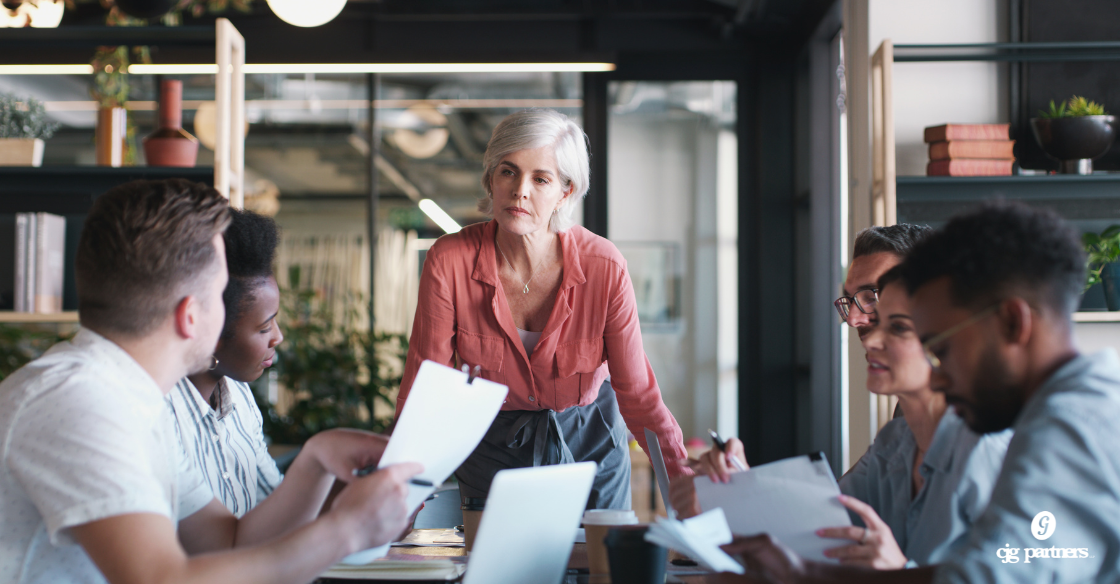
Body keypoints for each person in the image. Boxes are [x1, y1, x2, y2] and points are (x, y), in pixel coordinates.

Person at [0, 179, 421, 584]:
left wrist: (317, 459)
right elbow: (164, 579)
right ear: (190, 316)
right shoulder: (81, 401)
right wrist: (347, 530)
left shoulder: (134, 400)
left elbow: (227, 542)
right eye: (220, 291)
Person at [721, 202, 1120, 583]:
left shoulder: (1073, 426)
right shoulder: (1063, 411)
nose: (940, 378)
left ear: (1013, 323)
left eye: (943, 349)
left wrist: (805, 576)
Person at [398, 108, 689, 509]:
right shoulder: (449, 260)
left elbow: (637, 394)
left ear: (565, 192)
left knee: (598, 570)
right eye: (508, 172)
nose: (520, 191)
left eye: (540, 179)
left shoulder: (604, 266)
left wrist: (685, 487)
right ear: (490, 179)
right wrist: (398, 495)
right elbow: (424, 388)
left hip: (590, 444)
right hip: (491, 448)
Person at [675, 227, 1011, 569]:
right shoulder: (895, 444)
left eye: (874, 297)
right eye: (850, 301)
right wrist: (737, 485)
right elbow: (821, 528)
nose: (854, 320)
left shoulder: (992, 454)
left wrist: (898, 575)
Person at [168, 208, 284, 516]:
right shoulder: (160, 414)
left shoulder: (241, 399)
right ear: (210, 328)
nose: (278, 337)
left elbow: (276, 506)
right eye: (264, 327)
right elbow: (214, 543)